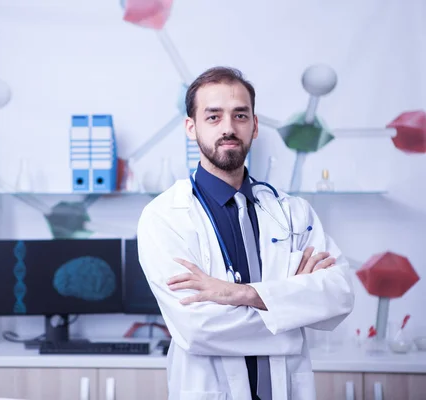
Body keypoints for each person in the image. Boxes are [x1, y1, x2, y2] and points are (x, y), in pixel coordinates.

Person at [136, 66, 355, 400]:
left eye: (240, 115)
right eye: (213, 117)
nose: (228, 128)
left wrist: (242, 294)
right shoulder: (164, 217)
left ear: (254, 126)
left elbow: (338, 294)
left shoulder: (293, 213)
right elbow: (197, 329)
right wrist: (292, 315)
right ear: (190, 129)